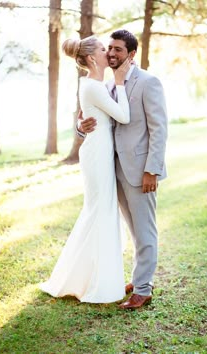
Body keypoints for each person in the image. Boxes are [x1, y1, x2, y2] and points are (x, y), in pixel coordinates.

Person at [79, 30, 168, 309]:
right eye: (109, 48)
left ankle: (143, 288)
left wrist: (152, 170)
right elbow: (93, 120)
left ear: (131, 54)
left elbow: (159, 129)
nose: (111, 54)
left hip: (141, 171)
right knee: (132, 229)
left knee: (145, 230)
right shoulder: (107, 85)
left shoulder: (148, 82)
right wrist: (81, 128)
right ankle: (138, 277)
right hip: (113, 170)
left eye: (118, 49)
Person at [40, 35, 132, 303]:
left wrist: (82, 125)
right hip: (96, 154)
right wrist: (120, 83)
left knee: (100, 211)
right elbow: (123, 117)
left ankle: (92, 277)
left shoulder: (93, 84)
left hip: (99, 151)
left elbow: (95, 117)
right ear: (93, 58)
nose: (109, 53)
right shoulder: (95, 86)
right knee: (100, 211)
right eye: (104, 50)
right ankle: (96, 282)